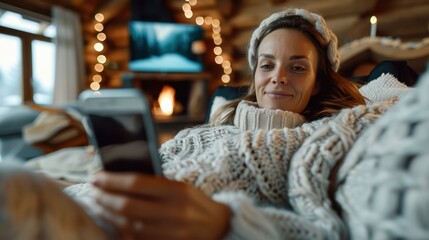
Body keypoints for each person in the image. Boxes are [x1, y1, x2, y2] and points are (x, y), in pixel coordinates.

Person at [0, 8, 412, 240]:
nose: (278, 76)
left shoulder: (326, 137)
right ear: (254, 74)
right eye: (266, 65)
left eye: (297, 67)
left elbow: (327, 231)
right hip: (105, 209)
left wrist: (225, 223)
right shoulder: (203, 131)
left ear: (319, 80)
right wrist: (73, 188)